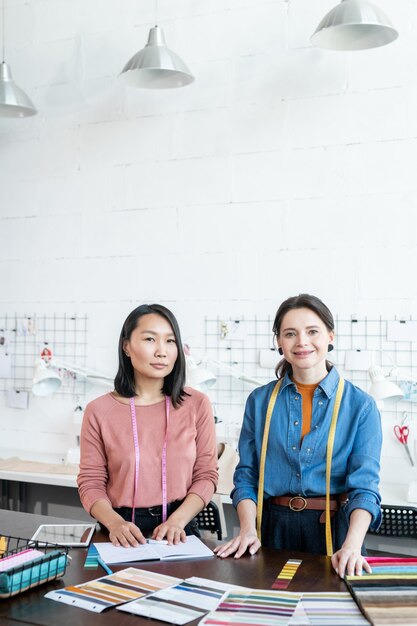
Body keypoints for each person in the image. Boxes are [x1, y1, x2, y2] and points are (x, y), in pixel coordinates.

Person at [215, 294, 382, 579]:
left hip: (335, 532)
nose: (301, 342)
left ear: (330, 336)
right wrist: (247, 530)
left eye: (312, 331)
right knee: (267, 610)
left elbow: (364, 488)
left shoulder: (361, 406)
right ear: (279, 342)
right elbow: (246, 477)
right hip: (272, 527)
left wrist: (352, 546)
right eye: (290, 333)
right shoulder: (259, 401)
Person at [77, 303, 218, 547]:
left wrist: (178, 521)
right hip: (119, 531)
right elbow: (91, 482)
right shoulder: (98, 411)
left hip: (180, 529)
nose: (162, 351)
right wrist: (114, 523)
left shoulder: (197, 404)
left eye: (170, 341)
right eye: (150, 339)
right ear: (127, 347)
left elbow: (206, 475)